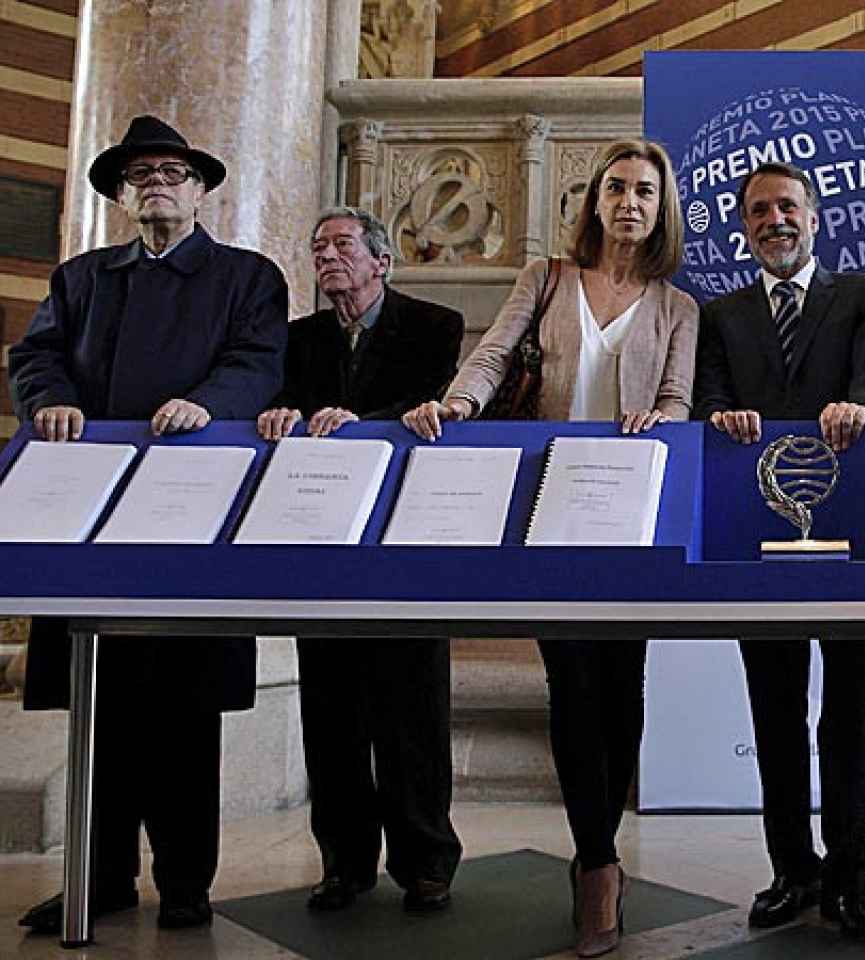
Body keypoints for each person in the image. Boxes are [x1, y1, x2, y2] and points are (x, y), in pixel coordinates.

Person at [404, 138, 697, 957]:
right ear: (594, 201)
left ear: (661, 205)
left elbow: (678, 397)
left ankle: (599, 849)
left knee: (622, 684)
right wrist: (455, 407)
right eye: (616, 188)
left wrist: (664, 420)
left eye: (644, 190)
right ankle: (596, 862)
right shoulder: (546, 279)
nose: (630, 201)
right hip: (551, 503)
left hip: (630, 511)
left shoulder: (678, 306)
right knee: (569, 681)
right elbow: (493, 356)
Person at [8, 114, 288, 933]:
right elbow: (35, 355)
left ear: (200, 189)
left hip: (191, 512)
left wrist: (206, 406)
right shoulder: (82, 277)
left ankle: (187, 882)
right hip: (93, 517)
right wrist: (51, 400)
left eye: (171, 171)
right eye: (141, 175)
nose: (157, 182)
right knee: (101, 707)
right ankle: (100, 880)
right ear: (123, 196)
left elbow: (259, 362)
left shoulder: (248, 276)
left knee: (184, 710)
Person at [692, 162, 865, 940]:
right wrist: (722, 417)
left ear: (815, 219)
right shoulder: (723, 313)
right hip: (755, 531)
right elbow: (708, 397)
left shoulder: (863, 296)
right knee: (773, 708)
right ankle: (791, 869)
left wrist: (862, 408)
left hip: (854, 528)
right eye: (759, 211)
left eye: (787, 207)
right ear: (745, 227)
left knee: (851, 705)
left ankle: (849, 875)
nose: (774, 219)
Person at [256, 207, 465, 914]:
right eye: (318, 248)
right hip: (322, 548)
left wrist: (362, 423)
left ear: (382, 261)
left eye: (342, 245)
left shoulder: (434, 325)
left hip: (408, 543)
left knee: (414, 709)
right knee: (331, 710)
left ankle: (427, 861)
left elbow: (431, 401)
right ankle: (344, 863)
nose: (328, 257)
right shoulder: (296, 341)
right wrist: (280, 415)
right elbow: (281, 401)